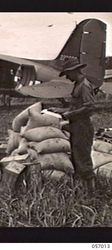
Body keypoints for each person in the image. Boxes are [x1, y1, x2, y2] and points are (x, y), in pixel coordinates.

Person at [48, 58, 96, 193]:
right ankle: (83, 189)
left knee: (83, 157)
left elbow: (90, 107)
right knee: (76, 156)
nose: (68, 77)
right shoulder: (78, 84)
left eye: (68, 74)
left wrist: (68, 115)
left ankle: (91, 192)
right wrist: (59, 110)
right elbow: (76, 106)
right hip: (76, 125)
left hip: (83, 126)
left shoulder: (84, 85)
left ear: (74, 71)